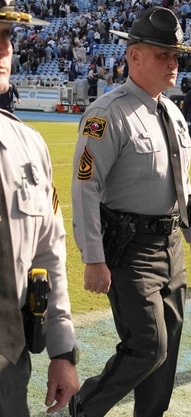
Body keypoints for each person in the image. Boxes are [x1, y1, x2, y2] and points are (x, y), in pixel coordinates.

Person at [69, 7, 191, 416]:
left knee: (169, 346)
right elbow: (86, 188)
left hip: (171, 246)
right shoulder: (106, 115)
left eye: (176, 55)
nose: (174, 63)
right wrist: (93, 258)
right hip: (129, 248)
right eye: (163, 54)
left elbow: (182, 186)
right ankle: (86, 405)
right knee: (148, 345)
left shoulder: (173, 112)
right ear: (134, 56)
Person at [0, 4, 79, 415]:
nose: (3, 49)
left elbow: (49, 254)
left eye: (7, 37)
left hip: (8, 366)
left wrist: (62, 351)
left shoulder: (30, 146)